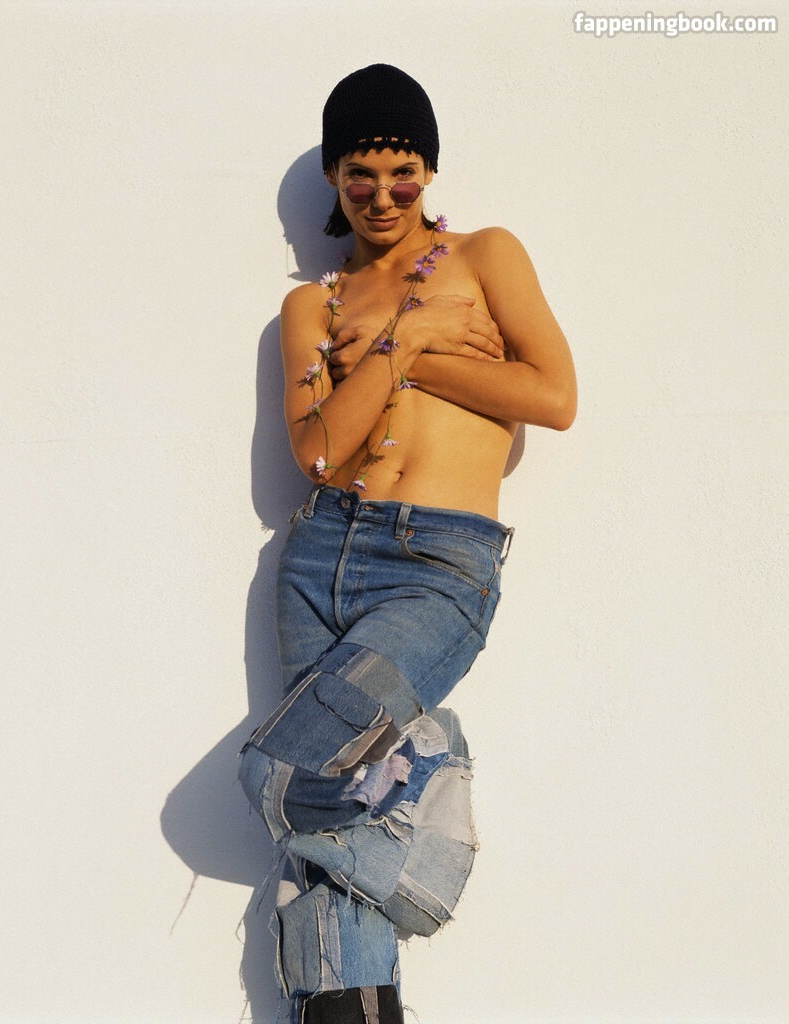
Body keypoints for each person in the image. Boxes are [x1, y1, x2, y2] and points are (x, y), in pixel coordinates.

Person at [238, 63, 577, 1024]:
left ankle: (424, 795)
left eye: (403, 174)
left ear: (427, 172)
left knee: (282, 772)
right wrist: (406, 347)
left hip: (438, 564)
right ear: (335, 177)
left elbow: (553, 397)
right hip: (321, 560)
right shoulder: (314, 307)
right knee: (322, 852)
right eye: (360, 174)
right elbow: (319, 453)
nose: (382, 195)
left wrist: (419, 344)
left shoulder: (484, 256)